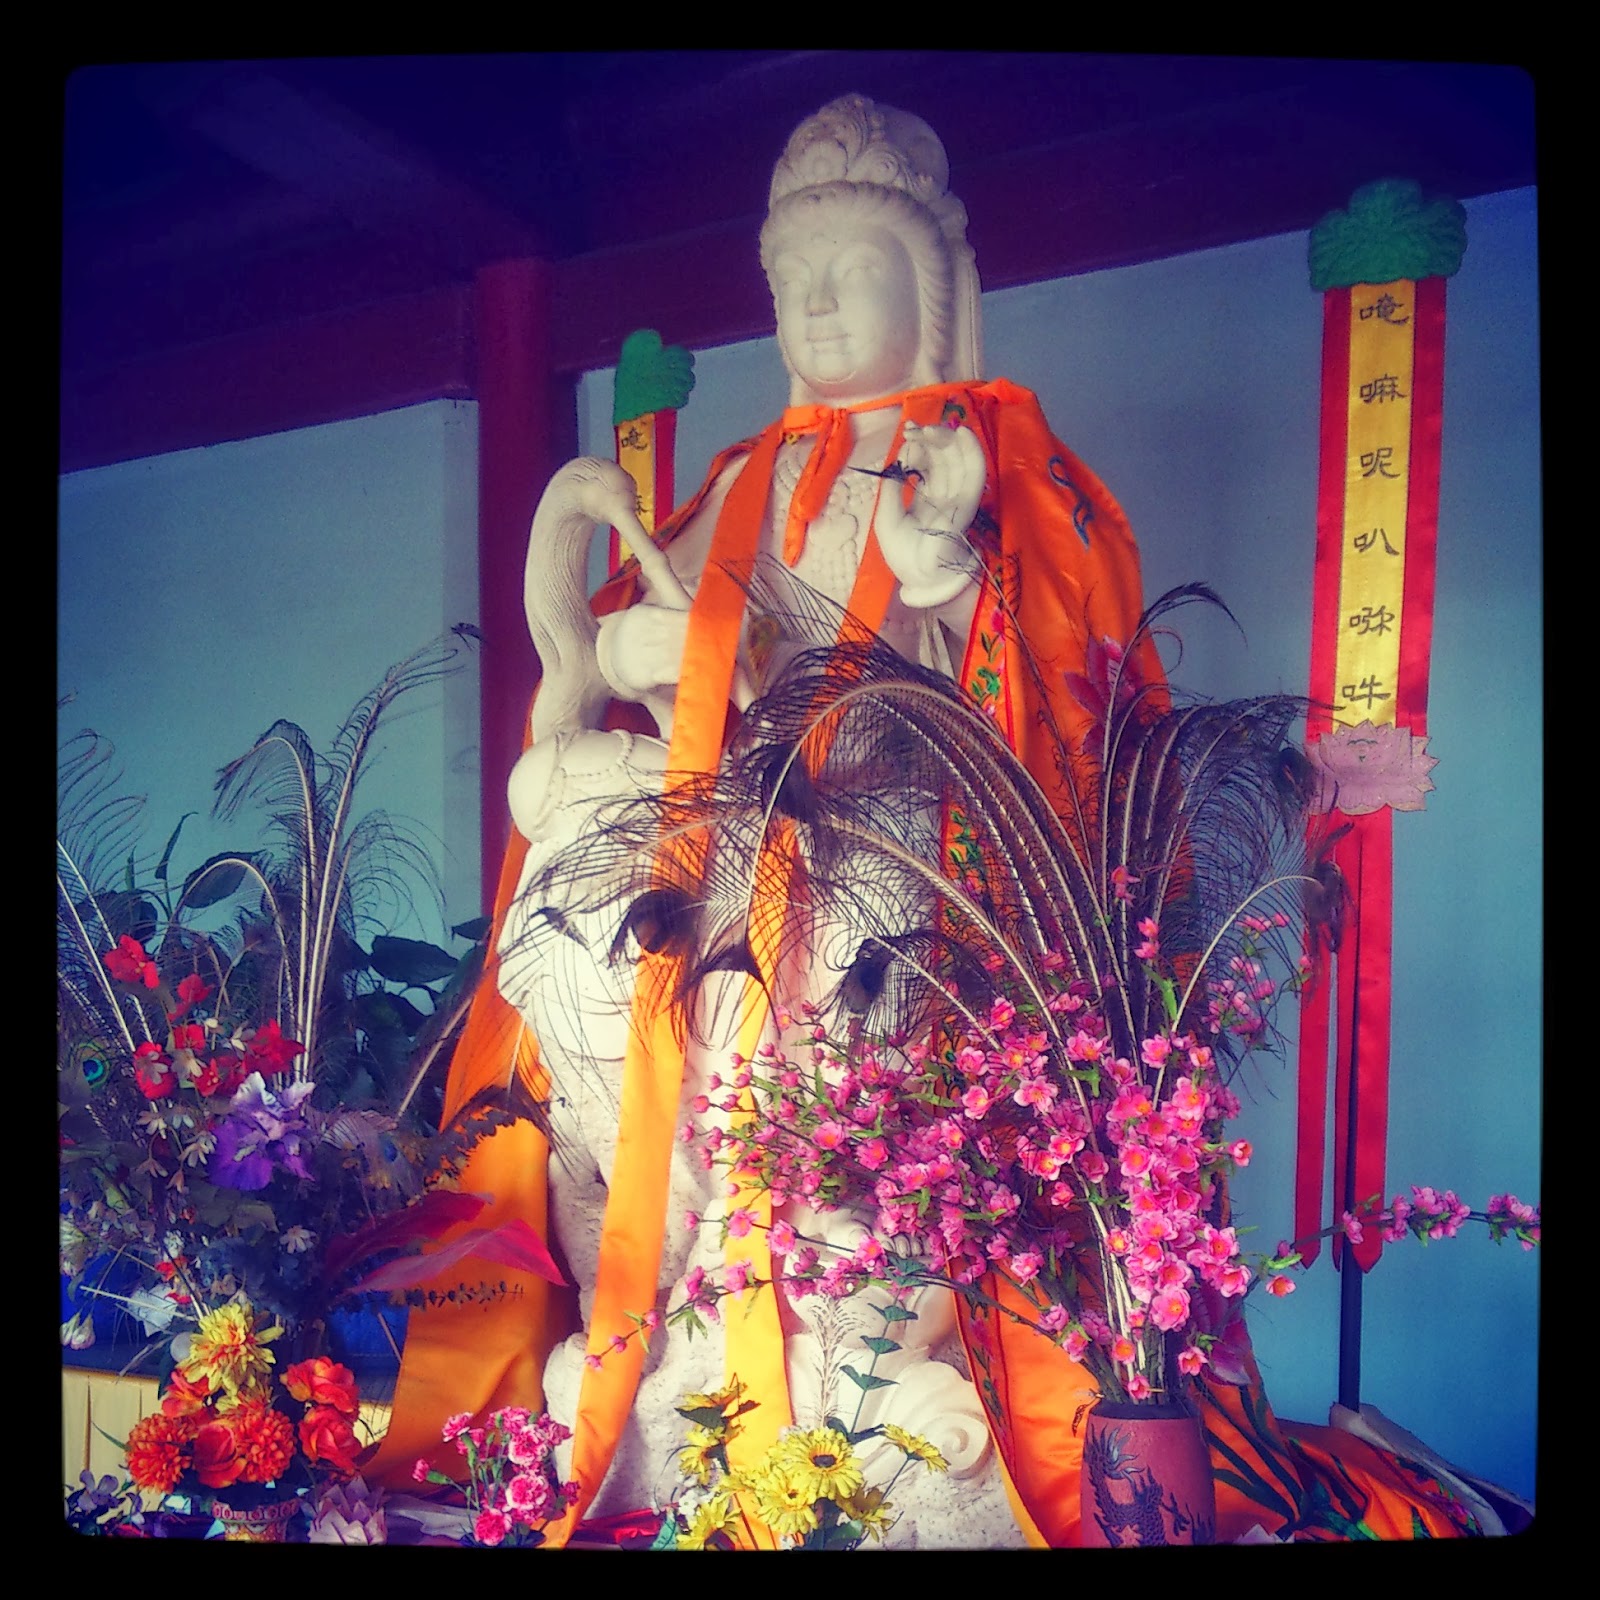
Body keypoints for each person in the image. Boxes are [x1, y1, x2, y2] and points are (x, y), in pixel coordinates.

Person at [372, 94, 1484, 1546]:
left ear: (935, 287)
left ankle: (862, 1301)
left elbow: (1071, 696)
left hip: (908, 838)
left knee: (874, 909)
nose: (819, 306)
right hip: (735, 840)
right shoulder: (736, 483)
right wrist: (637, 653)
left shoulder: (991, 459)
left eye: (853, 271)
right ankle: (680, 1279)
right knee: (555, 794)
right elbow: (650, 674)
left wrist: (947, 568)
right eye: (793, 278)